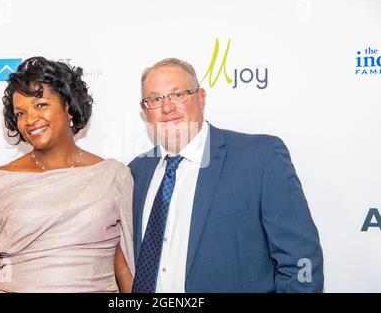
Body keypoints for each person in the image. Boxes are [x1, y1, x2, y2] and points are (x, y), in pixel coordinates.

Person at [129, 58, 324, 293]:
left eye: (178, 94)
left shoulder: (259, 158)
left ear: (201, 97)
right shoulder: (135, 172)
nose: (167, 107)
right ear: (145, 110)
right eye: (156, 99)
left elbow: (301, 259)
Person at [0, 57, 134, 293]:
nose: (30, 120)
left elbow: (125, 268)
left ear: (68, 106)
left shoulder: (113, 177)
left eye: (41, 105)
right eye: (20, 113)